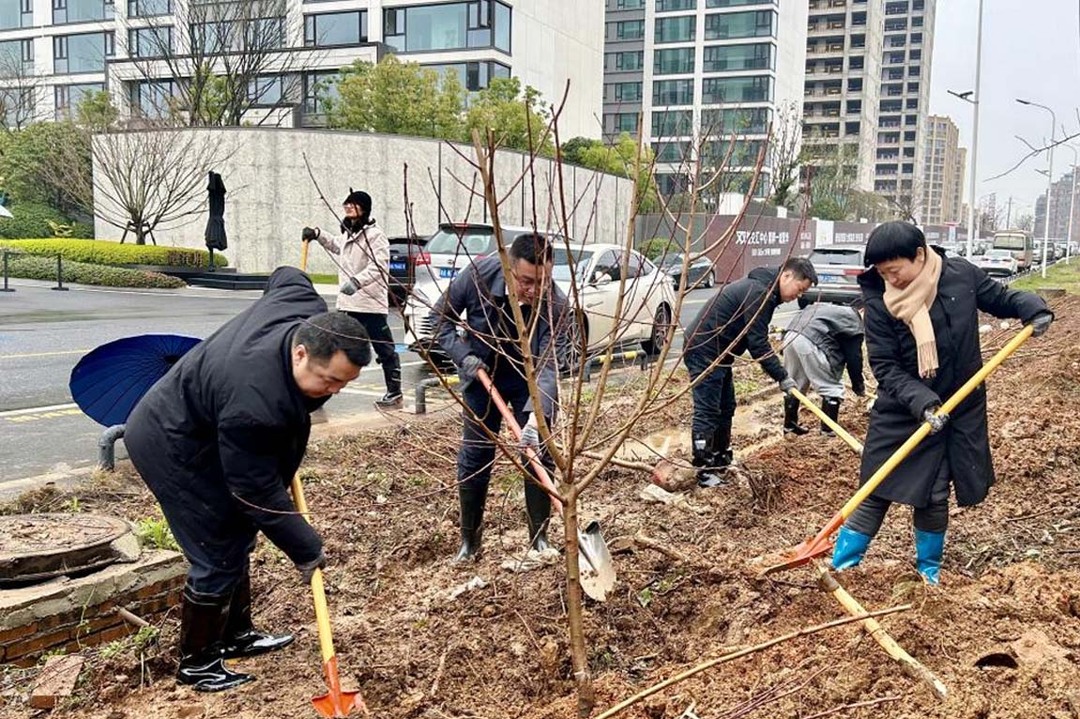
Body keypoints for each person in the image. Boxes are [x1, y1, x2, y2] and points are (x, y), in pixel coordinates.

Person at [124, 267, 372, 692]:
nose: (333, 391)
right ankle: (198, 663)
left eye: (344, 384)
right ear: (299, 354)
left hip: (208, 422)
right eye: (328, 380)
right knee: (217, 546)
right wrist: (305, 544)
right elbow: (254, 491)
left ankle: (236, 635)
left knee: (238, 533)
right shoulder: (256, 404)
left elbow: (288, 276)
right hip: (172, 444)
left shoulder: (303, 308)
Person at [832, 222, 1053, 584]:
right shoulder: (878, 300)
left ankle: (928, 573)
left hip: (960, 406)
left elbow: (1001, 298)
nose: (891, 279)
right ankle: (843, 568)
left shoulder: (961, 276)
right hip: (904, 409)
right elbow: (885, 367)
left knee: (934, 493)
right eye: (883, 273)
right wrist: (923, 403)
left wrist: (1033, 307)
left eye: (895, 270)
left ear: (919, 255)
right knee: (875, 487)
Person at [432, 233, 571, 562]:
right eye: (526, 281)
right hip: (482, 374)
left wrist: (536, 419)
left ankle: (539, 539)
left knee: (539, 452)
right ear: (509, 268)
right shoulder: (478, 276)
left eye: (543, 281)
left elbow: (550, 366)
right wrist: (462, 355)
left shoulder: (557, 304)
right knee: (475, 455)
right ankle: (470, 543)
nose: (534, 290)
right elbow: (440, 320)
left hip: (530, 381)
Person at [682, 258, 818, 487]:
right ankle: (704, 470)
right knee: (708, 410)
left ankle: (721, 458)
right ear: (786, 276)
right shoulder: (759, 293)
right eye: (800, 289)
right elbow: (758, 344)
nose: (799, 295)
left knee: (726, 406)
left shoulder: (766, 291)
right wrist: (782, 376)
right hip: (704, 349)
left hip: (721, 352)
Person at [304, 189, 402, 409]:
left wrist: (357, 282)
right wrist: (318, 234)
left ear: (364, 208)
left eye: (352, 204)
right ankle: (318, 390)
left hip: (369, 305)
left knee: (384, 349)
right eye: (346, 204)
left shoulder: (375, 235)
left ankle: (395, 392)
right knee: (332, 346)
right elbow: (337, 245)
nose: (348, 207)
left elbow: (379, 266)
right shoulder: (349, 232)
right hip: (347, 304)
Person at [781, 301, 866, 436]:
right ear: (863, 310)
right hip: (810, 340)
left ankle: (790, 427)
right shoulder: (853, 319)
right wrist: (858, 385)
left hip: (790, 337)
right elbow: (854, 357)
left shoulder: (833, 309)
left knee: (795, 385)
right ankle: (828, 431)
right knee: (831, 387)